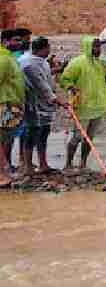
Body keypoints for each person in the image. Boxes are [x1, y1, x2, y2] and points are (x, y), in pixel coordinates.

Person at [60, 38, 106, 172]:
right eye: (95, 47)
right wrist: (71, 87)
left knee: (89, 138)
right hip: (82, 107)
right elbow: (64, 79)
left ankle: (83, 163)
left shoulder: (102, 64)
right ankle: (68, 164)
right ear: (88, 47)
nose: (98, 50)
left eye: (99, 47)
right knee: (77, 137)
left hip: (99, 106)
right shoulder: (77, 63)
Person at [19, 37, 64, 179]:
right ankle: (27, 166)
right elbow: (41, 85)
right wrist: (57, 100)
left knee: (44, 133)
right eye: (48, 48)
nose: (50, 50)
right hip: (33, 104)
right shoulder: (28, 64)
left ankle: (43, 164)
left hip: (45, 105)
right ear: (41, 49)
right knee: (31, 134)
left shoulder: (41, 61)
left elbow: (46, 80)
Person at [0, 29, 27, 185]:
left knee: (6, 138)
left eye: (19, 40)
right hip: (5, 104)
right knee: (2, 139)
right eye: (16, 40)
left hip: (12, 103)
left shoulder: (9, 57)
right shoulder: (3, 59)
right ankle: (2, 174)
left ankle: (5, 171)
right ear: (5, 41)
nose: (19, 43)